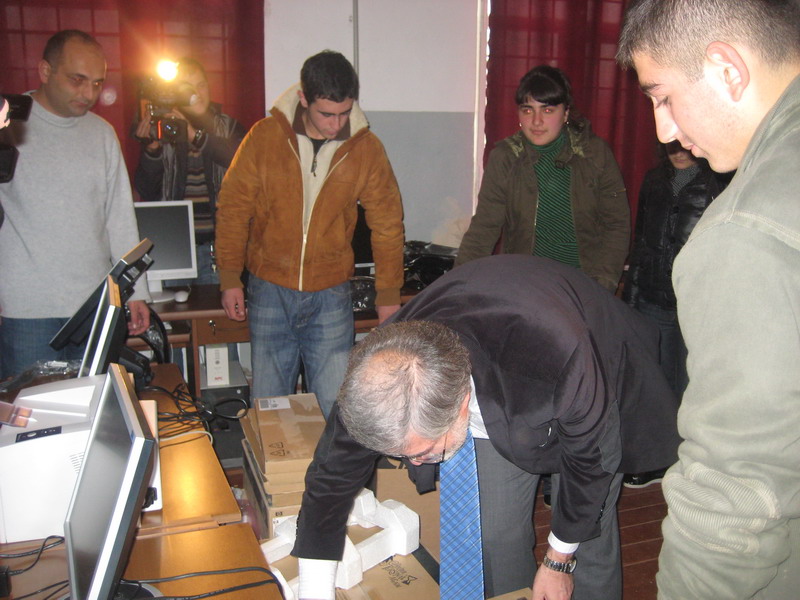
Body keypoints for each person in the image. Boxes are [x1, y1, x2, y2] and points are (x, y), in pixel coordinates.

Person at [291, 255, 681, 600]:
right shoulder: (381, 378)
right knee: (494, 534)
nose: (417, 462)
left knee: (588, 535)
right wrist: (314, 589)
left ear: (461, 405)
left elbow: (591, 462)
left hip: (589, 365)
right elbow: (331, 478)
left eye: (423, 452)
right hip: (498, 375)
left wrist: (559, 560)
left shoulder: (560, 356)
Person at [617, 1, 800, 598]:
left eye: (663, 97)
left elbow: (738, 495)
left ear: (727, 70)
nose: (663, 129)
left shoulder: (743, 234)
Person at [215, 50, 404, 418]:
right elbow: (234, 208)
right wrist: (229, 277)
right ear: (303, 98)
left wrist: (388, 294)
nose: (337, 125)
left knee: (336, 406)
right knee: (270, 406)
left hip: (330, 292)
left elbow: (388, 224)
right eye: (327, 114)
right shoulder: (265, 137)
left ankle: (330, 461)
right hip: (269, 287)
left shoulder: (366, 149)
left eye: (345, 113)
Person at [0, 30, 149, 380]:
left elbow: (119, 218)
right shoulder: (7, 126)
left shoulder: (102, 133)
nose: (88, 94)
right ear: (45, 71)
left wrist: (137, 292)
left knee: (95, 405)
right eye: (77, 80)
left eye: (97, 84)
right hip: (26, 309)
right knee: (32, 410)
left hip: (94, 307)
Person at [455, 65, 630, 294]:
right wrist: (456, 287)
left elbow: (616, 225)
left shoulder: (595, 154)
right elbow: (484, 229)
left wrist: (602, 284)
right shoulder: (506, 157)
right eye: (528, 110)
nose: (536, 121)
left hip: (585, 287)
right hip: (525, 285)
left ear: (565, 113)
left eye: (547, 110)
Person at [621, 141, 730, 489]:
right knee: (657, 385)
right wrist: (632, 299)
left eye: (684, 144)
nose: (678, 150)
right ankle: (663, 459)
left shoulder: (720, 181)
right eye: (670, 145)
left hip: (698, 302)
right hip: (653, 296)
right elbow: (641, 242)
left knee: (694, 386)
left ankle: (692, 462)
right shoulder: (654, 180)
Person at [133, 57, 246, 284]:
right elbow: (147, 190)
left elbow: (240, 161)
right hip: (175, 247)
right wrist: (152, 150)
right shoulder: (163, 129)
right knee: (174, 307)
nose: (197, 93)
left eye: (201, 85)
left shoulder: (228, 126)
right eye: (188, 88)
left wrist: (195, 135)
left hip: (219, 246)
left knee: (215, 308)